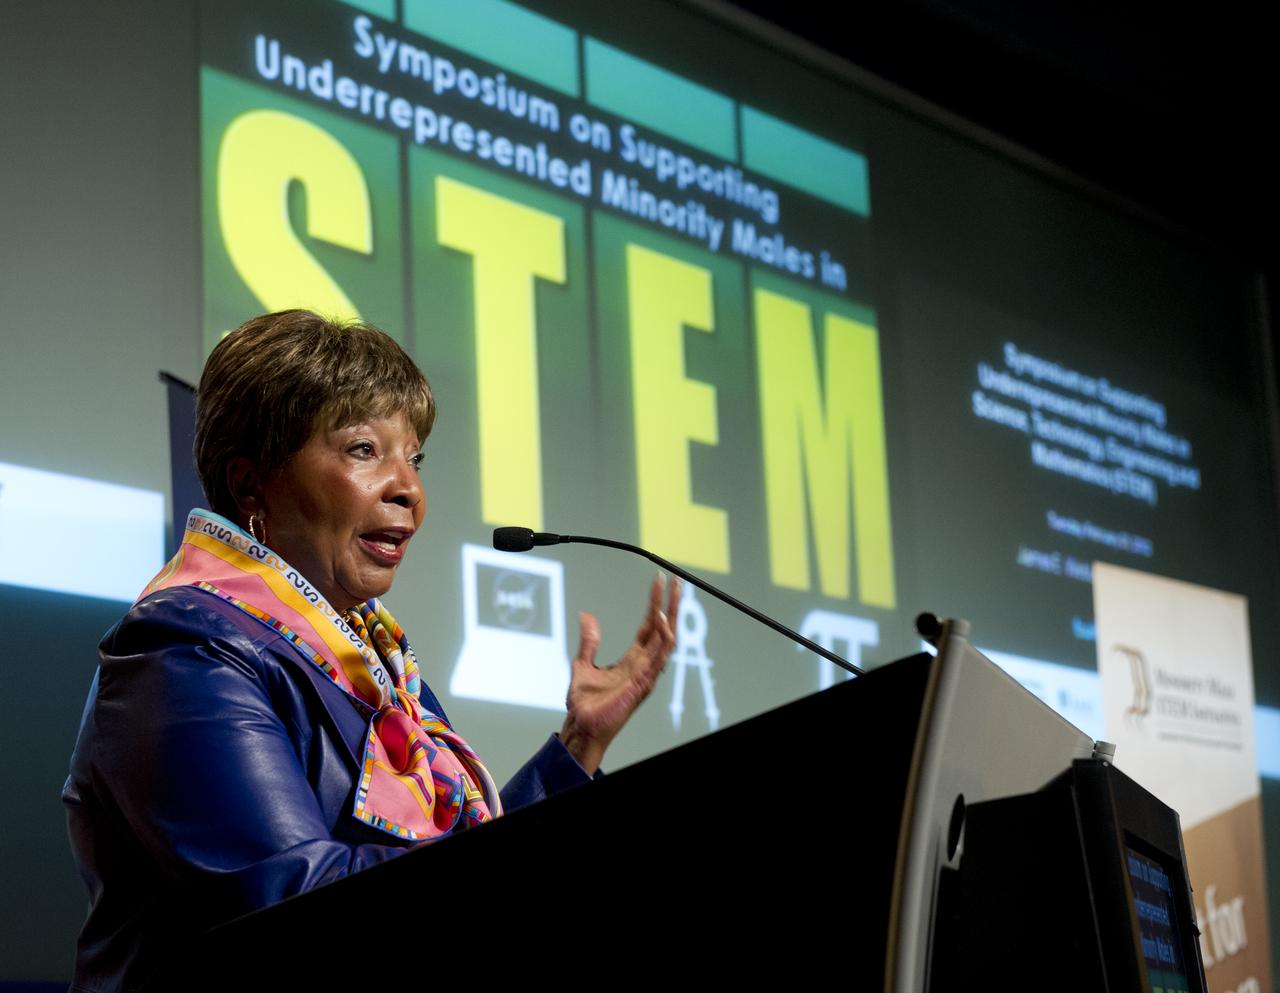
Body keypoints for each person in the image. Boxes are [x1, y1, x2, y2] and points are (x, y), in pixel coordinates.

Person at [63, 310, 681, 991]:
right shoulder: (184, 651)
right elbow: (295, 900)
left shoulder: (373, 658)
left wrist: (576, 749)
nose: (408, 489)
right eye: (363, 450)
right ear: (250, 483)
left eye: (413, 458)